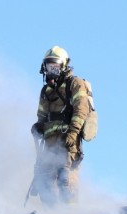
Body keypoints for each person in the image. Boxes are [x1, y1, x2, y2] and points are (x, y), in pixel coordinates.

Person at [28, 45, 92, 205]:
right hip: (49, 147)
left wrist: (73, 132)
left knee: (66, 182)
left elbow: (81, 110)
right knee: (46, 185)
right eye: (50, 66)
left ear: (63, 66)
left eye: (55, 66)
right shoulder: (46, 91)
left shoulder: (75, 84)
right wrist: (38, 127)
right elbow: (42, 117)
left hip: (68, 144)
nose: (52, 70)